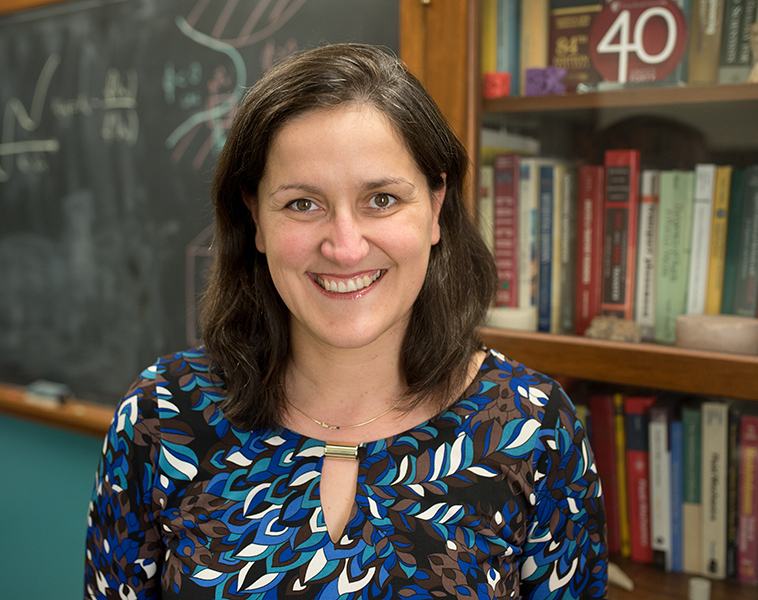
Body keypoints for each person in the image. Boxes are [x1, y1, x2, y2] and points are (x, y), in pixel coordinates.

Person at [85, 43, 607, 600]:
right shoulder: (162, 417)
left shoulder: (534, 430)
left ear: (435, 206)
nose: (345, 247)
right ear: (254, 218)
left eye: (381, 199)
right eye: (302, 204)